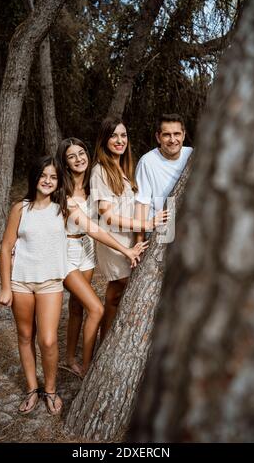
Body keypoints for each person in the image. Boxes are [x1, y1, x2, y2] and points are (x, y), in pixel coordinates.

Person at [56, 137, 148, 378]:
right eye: (72, 156)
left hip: (87, 252)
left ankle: (69, 357)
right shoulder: (61, 191)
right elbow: (93, 227)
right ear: (65, 163)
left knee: (77, 306)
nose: (79, 159)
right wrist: (126, 250)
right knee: (96, 308)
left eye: (82, 153)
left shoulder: (90, 186)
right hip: (66, 253)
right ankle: (87, 367)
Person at [0, 156, 68, 416]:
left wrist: (127, 248)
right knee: (25, 336)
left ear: (59, 182)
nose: (47, 180)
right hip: (21, 283)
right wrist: (5, 288)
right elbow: (5, 249)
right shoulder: (20, 209)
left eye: (53, 177)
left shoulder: (64, 209)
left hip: (50, 283)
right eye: (43, 175)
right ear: (35, 178)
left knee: (47, 340)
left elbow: (95, 229)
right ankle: (31, 388)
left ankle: (50, 389)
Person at [90, 117, 169, 341]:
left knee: (115, 295)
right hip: (115, 242)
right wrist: (147, 224)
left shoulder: (123, 167)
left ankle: (105, 343)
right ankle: (107, 343)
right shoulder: (100, 170)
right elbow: (107, 215)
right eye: (114, 135)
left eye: (123, 135)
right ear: (104, 139)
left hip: (130, 238)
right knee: (123, 290)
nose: (119, 140)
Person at [135, 113, 193, 241]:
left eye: (177, 134)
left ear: (183, 135)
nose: (172, 140)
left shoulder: (192, 156)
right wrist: (138, 243)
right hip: (159, 233)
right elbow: (142, 205)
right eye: (167, 135)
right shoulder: (147, 162)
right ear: (158, 137)